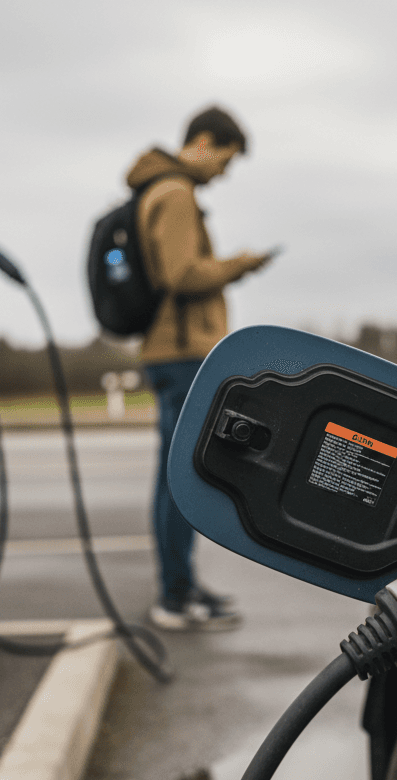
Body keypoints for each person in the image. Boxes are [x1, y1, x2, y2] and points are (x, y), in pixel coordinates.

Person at [128, 106, 274, 631]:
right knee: (178, 477)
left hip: (175, 351)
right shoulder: (174, 194)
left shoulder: (166, 190)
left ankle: (182, 586)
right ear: (206, 142)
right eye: (226, 161)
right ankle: (173, 598)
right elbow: (182, 273)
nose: (224, 174)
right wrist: (240, 264)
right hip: (180, 352)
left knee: (179, 473)